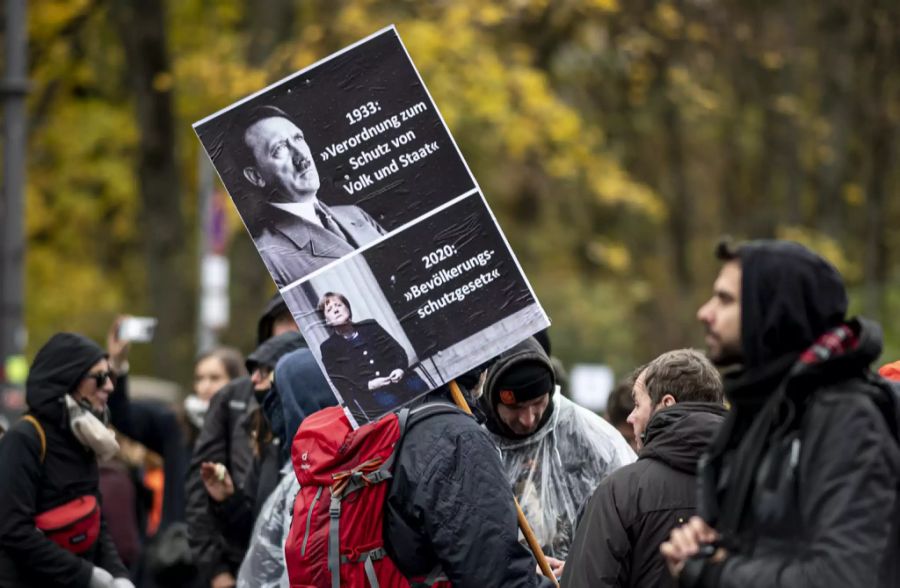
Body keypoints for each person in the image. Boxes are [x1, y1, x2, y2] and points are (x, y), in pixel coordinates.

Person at [660, 240, 900, 588]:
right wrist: (710, 542)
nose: (705, 312)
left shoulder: (844, 418)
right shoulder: (762, 410)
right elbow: (772, 539)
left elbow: (843, 577)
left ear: (771, 312)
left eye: (725, 300)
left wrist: (712, 571)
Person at [563, 349, 726, 587]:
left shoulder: (621, 493)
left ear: (666, 404)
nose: (631, 417)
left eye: (638, 404)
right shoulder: (758, 480)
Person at [478, 337, 636, 568]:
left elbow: (628, 516)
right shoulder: (473, 442)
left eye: (538, 402)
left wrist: (580, 566)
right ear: (493, 401)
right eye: (515, 408)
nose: (528, 418)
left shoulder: (591, 435)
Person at [0, 332, 134, 588]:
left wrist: (119, 575)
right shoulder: (24, 438)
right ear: (68, 380)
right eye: (100, 378)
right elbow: (13, 530)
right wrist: (86, 575)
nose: (109, 386)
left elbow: (95, 517)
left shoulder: (82, 437)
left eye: (111, 377)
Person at [186, 293, 299, 588]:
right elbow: (206, 494)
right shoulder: (238, 400)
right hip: (245, 565)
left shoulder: (335, 404)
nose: (292, 328)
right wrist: (215, 569)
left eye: (299, 318)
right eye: (284, 320)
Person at [236, 105, 385, 288]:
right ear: (256, 176)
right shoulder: (268, 255)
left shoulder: (355, 215)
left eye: (298, 138)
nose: (302, 157)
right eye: (280, 148)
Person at [317, 291, 427, 419]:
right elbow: (342, 384)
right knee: (391, 406)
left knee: (419, 388)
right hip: (372, 394)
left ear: (348, 308)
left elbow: (398, 351)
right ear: (327, 321)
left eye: (339, 305)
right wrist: (369, 385)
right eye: (329, 309)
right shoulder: (328, 348)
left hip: (400, 379)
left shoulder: (370, 325)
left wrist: (399, 368)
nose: (336, 310)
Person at [184, 347, 247, 431]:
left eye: (215, 378)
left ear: (236, 381)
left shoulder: (249, 423)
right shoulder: (182, 424)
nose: (205, 386)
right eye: (199, 378)